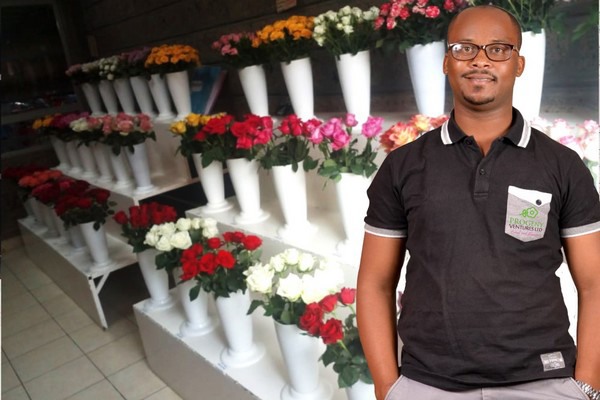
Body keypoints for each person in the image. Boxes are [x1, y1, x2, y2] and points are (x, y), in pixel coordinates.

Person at [356, 5, 600, 400]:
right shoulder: (402, 166)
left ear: (519, 64)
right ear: (446, 62)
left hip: (545, 381)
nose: (480, 60)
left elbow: (594, 283)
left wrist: (586, 385)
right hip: (427, 384)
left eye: (498, 49)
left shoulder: (562, 165)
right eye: (464, 48)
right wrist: (389, 388)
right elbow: (374, 284)